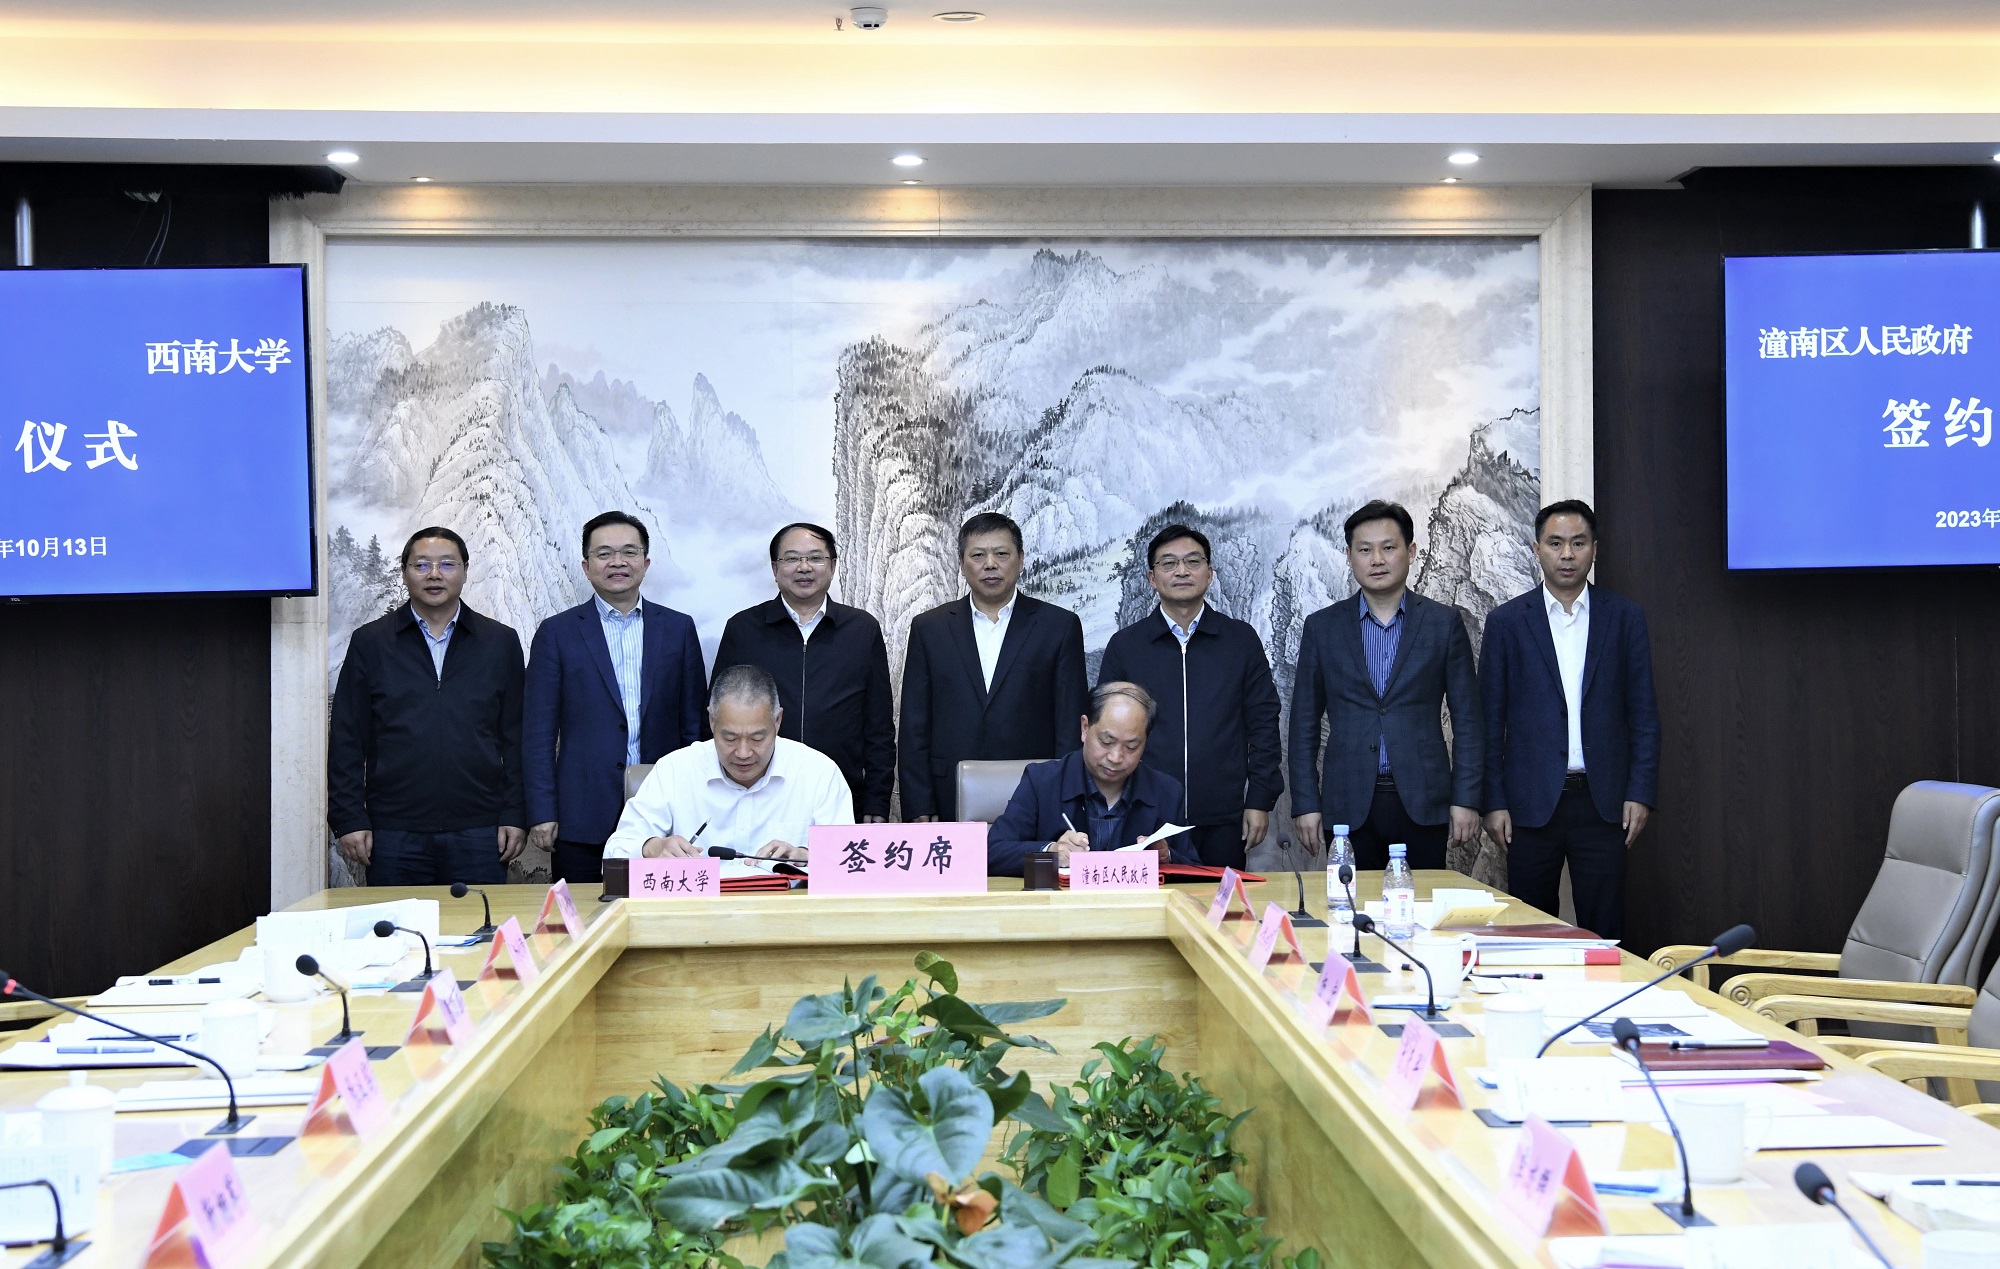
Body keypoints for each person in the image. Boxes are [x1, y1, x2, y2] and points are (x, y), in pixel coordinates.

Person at [1479, 499, 1660, 940]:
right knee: (1531, 932)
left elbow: (1643, 715)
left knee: (1605, 931)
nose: (1566, 554)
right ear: (1536, 549)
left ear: (1594, 549)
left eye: (1578, 543)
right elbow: (1489, 722)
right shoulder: (1506, 622)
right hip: (1528, 805)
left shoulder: (1624, 617)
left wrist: (1640, 792)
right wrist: (1493, 801)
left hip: (1603, 804)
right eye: (1555, 543)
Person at [1289, 500, 1482, 872]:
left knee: (1422, 903)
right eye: (1365, 550)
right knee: (1350, 903)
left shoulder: (1443, 624)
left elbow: (1469, 721)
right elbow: (1303, 725)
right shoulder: (1323, 627)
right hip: (1347, 803)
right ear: (1349, 556)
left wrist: (1466, 799)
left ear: (1411, 551)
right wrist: (1306, 803)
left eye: (1388, 547)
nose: (1377, 560)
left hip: (1424, 800)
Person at [328, 526, 526, 885]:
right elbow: (347, 738)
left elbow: (516, 737)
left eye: (447, 564)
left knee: (478, 922)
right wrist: (350, 818)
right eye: (421, 565)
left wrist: (515, 812)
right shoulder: (371, 643)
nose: (434, 574)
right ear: (404, 572)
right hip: (393, 831)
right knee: (397, 922)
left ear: (465, 571)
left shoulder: (499, 642)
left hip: (480, 830)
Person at [523, 511, 705, 884]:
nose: (617, 562)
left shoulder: (678, 628)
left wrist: (697, 803)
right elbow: (538, 733)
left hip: (665, 814)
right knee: (584, 912)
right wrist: (542, 811)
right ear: (586, 566)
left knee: (663, 912)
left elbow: (694, 728)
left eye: (629, 552)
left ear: (646, 563)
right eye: (604, 554)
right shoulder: (556, 633)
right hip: (582, 815)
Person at [1096, 524, 1283, 869]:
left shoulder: (1240, 641)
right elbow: (1105, 732)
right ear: (1152, 578)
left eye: (1193, 561)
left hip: (1223, 817)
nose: (1181, 571)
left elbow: (1263, 724)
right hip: (1143, 816)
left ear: (1209, 573)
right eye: (1169, 563)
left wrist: (1259, 799)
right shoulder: (1127, 646)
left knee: (1221, 903)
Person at [899, 512, 1090, 822]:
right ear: (962, 564)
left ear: (1021, 559)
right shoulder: (930, 628)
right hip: (948, 792)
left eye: (1001, 554)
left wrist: (1062, 804)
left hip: (1036, 792)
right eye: (978, 555)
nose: (990, 564)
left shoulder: (1058, 626)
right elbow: (914, 725)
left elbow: (1070, 725)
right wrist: (920, 805)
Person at [712, 523, 896, 822]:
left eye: (815, 558)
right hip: (756, 794)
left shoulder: (862, 630)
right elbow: (717, 716)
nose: (804, 567)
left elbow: (879, 726)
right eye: (792, 558)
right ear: (775, 568)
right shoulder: (743, 629)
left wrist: (876, 802)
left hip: (841, 794)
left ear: (833, 566)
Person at [604, 663, 854, 860]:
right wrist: (651, 847)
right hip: (699, 907)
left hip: (787, 907)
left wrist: (807, 856)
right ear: (712, 721)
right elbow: (615, 851)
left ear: (777, 721)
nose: (743, 753)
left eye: (757, 738)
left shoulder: (819, 773)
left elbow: (849, 860)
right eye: (730, 738)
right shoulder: (674, 770)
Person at [987, 681, 1195, 876]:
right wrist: (1050, 852)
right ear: (1085, 728)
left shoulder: (1166, 792)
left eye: (1131, 747)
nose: (1115, 757)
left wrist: (1167, 857)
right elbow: (992, 851)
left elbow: (1196, 870)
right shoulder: (1041, 781)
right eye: (1106, 741)